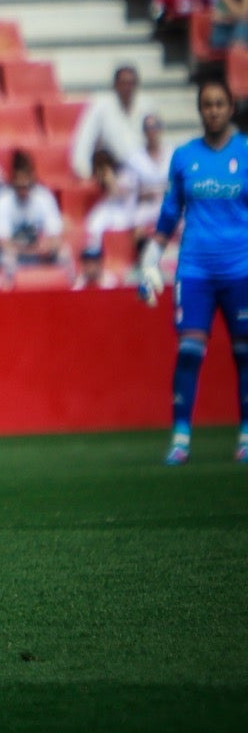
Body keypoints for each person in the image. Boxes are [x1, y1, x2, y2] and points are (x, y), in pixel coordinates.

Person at [137, 79, 248, 466]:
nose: (213, 110)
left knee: (245, 354)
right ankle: (181, 438)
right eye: (207, 104)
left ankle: (247, 435)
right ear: (200, 110)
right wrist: (148, 261)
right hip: (196, 270)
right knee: (188, 353)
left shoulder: (246, 153)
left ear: (230, 108)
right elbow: (169, 215)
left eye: (219, 104)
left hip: (241, 268)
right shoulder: (184, 157)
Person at [0, 149, 65, 270]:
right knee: (5, 258)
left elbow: (55, 235)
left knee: (64, 255)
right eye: (20, 186)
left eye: (27, 186)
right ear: (13, 181)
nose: (23, 190)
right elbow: (2, 242)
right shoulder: (2, 199)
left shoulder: (44, 196)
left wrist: (47, 246)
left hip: (39, 252)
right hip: (14, 253)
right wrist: (29, 250)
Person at [70, 64, 151, 179]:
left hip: (144, 172)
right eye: (123, 83)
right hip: (114, 173)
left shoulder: (147, 107)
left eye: (131, 83)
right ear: (115, 85)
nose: (127, 88)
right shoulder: (101, 107)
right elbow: (85, 140)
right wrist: (84, 172)